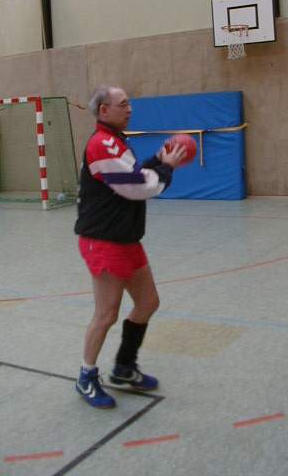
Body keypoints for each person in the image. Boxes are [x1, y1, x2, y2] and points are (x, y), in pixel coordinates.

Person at [74, 85, 185, 409]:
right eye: (123, 104)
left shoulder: (116, 140)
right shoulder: (101, 143)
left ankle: (124, 367)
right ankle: (86, 377)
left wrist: (158, 159)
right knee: (106, 314)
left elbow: (132, 174)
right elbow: (136, 187)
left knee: (148, 302)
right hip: (103, 241)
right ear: (104, 110)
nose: (130, 109)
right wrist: (167, 167)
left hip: (126, 239)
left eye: (129, 103)